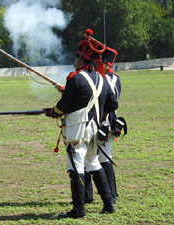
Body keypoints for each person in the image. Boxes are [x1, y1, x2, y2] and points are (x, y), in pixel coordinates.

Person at [46, 29, 118, 219]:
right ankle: (109, 203)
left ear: (82, 58)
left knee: (76, 167)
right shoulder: (102, 80)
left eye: (77, 56)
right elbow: (113, 104)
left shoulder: (75, 78)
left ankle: (78, 210)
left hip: (77, 130)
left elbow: (63, 106)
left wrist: (53, 112)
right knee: (93, 163)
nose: (75, 60)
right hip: (95, 129)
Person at [84, 47, 122, 203]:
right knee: (101, 157)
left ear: (105, 63)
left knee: (95, 159)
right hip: (107, 121)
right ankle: (109, 194)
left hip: (102, 121)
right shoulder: (113, 78)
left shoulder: (103, 78)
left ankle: (93, 196)